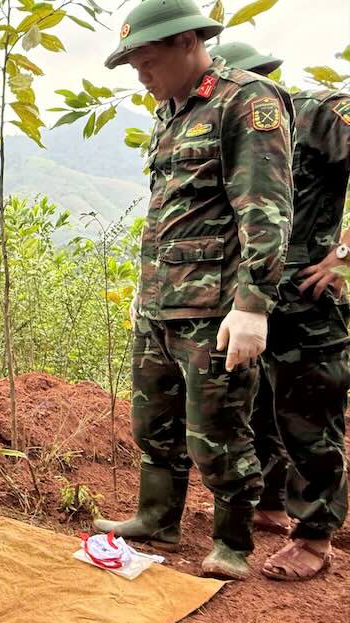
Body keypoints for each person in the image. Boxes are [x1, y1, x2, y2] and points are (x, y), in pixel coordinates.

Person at [92, 0, 294, 581]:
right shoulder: (170, 112)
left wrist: (252, 306)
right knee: (152, 427)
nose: (141, 76)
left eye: (147, 62)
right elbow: (171, 213)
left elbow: (266, 210)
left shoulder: (245, 100)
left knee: (218, 435)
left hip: (215, 310)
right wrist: (145, 289)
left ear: (187, 42)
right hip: (161, 303)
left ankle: (232, 543)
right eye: (135, 66)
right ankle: (157, 520)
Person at [215, 41, 350, 580]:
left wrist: (344, 254)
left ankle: (315, 536)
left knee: (308, 416)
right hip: (252, 300)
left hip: (307, 302)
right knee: (259, 408)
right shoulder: (233, 130)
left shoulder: (318, 113)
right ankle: (270, 505)